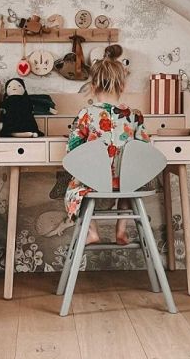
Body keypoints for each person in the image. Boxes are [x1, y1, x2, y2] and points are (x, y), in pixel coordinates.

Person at [64, 44, 150, 245]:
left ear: (93, 86)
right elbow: (144, 147)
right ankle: (121, 230)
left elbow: (72, 149)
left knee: (74, 188)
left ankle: (92, 231)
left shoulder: (86, 114)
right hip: (125, 180)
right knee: (130, 183)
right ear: (123, 86)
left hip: (94, 180)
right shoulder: (135, 115)